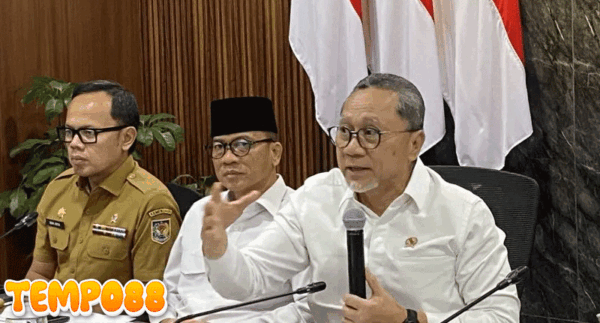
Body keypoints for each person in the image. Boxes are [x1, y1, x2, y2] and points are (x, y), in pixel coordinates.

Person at [201, 74, 520, 323]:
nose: (352, 148)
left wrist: (409, 320)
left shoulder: (462, 212)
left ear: (414, 144)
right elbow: (249, 281)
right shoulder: (316, 198)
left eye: (370, 134)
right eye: (344, 132)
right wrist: (218, 249)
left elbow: (501, 316)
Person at [155, 96, 313, 323]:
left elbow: (307, 308)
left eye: (242, 145)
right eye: (219, 147)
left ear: (275, 153)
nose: (228, 159)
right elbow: (170, 289)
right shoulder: (200, 211)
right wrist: (167, 320)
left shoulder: (300, 213)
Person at [26, 80, 181, 284]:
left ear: (126, 138)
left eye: (88, 133)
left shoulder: (152, 203)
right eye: (69, 132)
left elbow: (151, 296)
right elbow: (40, 274)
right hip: (57, 305)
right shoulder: (58, 188)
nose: (74, 144)